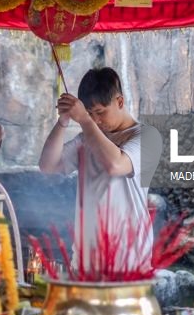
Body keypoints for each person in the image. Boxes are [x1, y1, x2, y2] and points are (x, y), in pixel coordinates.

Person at [39, 67, 161, 271]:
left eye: (100, 112)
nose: (96, 120)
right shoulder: (86, 138)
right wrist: (63, 122)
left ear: (120, 102)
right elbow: (47, 166)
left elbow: (116, 165)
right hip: (85, 263)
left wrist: (85, 120)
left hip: (129, 264)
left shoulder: (147, 136)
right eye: (89, 113)